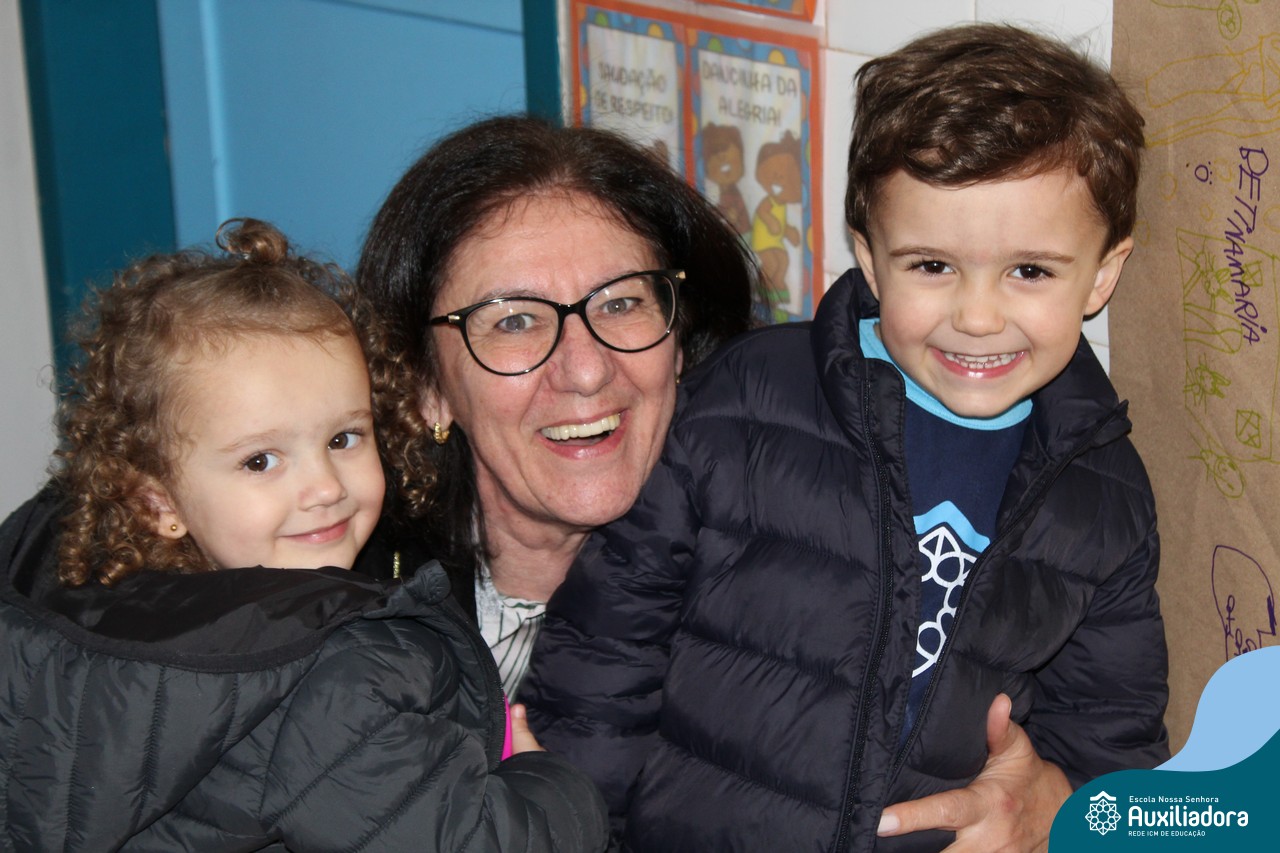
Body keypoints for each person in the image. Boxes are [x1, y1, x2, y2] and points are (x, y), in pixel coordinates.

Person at [523, 22, 1169, 852]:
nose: (977, 316)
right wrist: (573, 831)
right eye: (931, 265)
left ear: (1103, 274)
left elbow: (1114, 744)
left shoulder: (1105, 493)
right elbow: (605, 654)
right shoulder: (747, 401)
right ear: (868, 257)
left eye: (1030, 271)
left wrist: (1066, 811)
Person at [0, 219, 607, 852]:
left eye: (343, 438)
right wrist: (549, 785)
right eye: (261, 461)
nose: (324, 487)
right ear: (157, 501)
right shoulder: (331, 670)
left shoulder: (75, 619)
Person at [355, 115, 761, 698]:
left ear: (678, 342)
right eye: (515, 321)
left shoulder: (780, 578)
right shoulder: (343, 609)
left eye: (620, 304)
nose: (587, 371)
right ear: (426, 388)